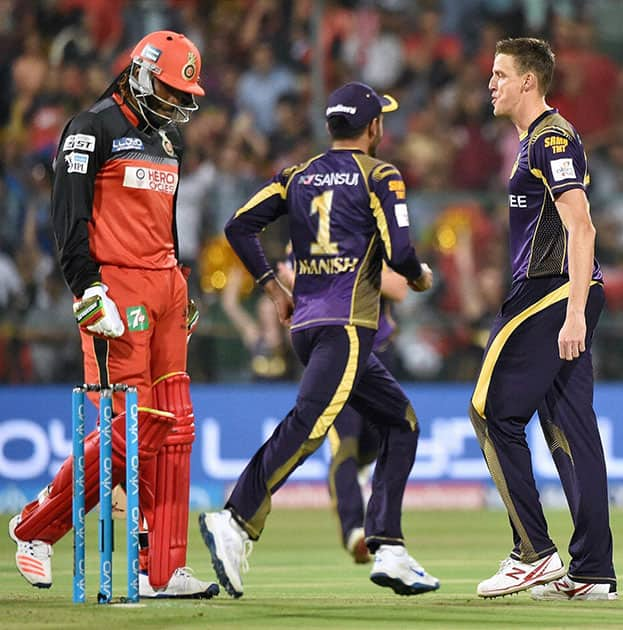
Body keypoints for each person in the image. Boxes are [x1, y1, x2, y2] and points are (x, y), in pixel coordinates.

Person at [198, 81, 439, 598]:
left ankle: (389, 547)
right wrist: (420, 277)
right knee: (309, 426)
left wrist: (272, 288)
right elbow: (400, 253)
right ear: (373, 127)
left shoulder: (297, 175)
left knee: (403, 423)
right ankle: (236, 520)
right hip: (349, 327)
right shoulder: (381, 175)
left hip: (307, 327)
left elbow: (239, 226)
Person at [9, 30, 218, 599]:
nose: (177, 104)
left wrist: (181, 285)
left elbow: (164, 224)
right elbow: (66, 216)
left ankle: (163, 570)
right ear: (143, 73)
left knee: (176, 429)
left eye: (184, 96)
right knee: (136, 431)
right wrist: (86, 288)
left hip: (166, 289)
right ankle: (34, 528)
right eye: (172, 91)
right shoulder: (90, 127)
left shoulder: (167, 143)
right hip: (115, 290)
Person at [471, 37, 617, 601]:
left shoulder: (550, 138)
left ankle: (532, 553)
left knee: (490, 412)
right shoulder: (537, 140)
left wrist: (574, 310)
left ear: (529, 81)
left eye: (501, 74)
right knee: (570, 428)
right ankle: (592, 572)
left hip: (550, 293)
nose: (492, 83)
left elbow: (582, 227)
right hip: (561, 293)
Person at [278, 257, 408, 564]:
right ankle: (355, 530)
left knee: (378, 441)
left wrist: (336, 279)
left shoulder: (379, 231)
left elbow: (399, 287)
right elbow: (288, 279)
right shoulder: (306, 235)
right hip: (334, 351)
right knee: (344, 443)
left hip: (378, 353)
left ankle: (358, 475)